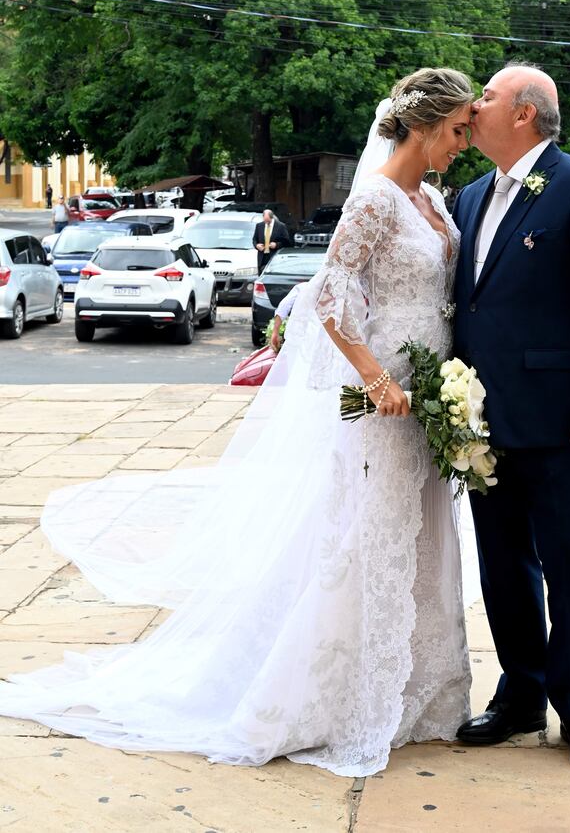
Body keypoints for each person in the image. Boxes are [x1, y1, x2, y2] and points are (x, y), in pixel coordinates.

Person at [0, 68, 475, 778]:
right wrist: (375, 378)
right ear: (429, 123)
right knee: (363, 541)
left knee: (421, 540)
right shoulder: (374, 198)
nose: (465, 143)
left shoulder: (432, 199)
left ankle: (417, 695)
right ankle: (334, 699)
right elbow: (331, 300)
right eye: (461, 129)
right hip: (381, 403)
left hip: (429, 397)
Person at [452, 63, 570, 773]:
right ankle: (521, 695)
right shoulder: (469, 197)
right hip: (480, 427)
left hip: (568, 424)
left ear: (526, 114)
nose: (475, 106)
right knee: (504, 569)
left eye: (489, 96)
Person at [254, 208, 290, 273]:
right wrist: (257, 245)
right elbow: (254, 239)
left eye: (268, 221)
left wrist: (277, 245)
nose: (266, 223)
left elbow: (287, 242)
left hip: (275, 256)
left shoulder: (280, 226)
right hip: (262, 257)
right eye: (265, 221)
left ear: (272, 218)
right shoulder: (259, 226)